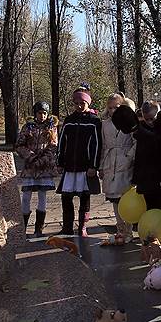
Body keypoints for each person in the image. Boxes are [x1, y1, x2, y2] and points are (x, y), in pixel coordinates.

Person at [57, 86, 103, 237]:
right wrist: (59, 161)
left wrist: (93, 165)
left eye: (82, 102)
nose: (79, 105)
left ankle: (82, 226)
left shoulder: (94, 121)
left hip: (85, 166)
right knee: (66, 197)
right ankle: (67, 226)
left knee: (84, 197)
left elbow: (97, 144)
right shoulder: (69, 121)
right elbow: (62, 142)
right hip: (70, 165)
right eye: (76, 103)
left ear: (88, 103)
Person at [16, 101, 59, 237]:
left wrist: (43, 159)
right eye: (40, 113)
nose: (42, 116)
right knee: (26, 196)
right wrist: (31, 157)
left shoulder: (51, 127)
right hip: (30, 166)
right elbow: (20, 145)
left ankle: (38, 229)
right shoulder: (28, 127)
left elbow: (53, 145)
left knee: (42, 196)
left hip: (45, 166)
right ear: (35, 114)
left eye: (45, 113)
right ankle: (22, 227)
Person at [100, 92, 137, 244]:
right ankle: (120, 229)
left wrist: (128, 157)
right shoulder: (104, 124)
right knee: (115, 199)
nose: (113, 111)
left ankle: (128, 231)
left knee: (125, 198)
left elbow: (136, 142)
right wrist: (101, 166)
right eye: (110, 108)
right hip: (110, 162)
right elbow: (103, 146)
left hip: (125, 162)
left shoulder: (130, 122)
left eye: (116, 107)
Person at [132, 100, 161, 214]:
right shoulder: (140, 131)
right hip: (145, 176)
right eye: (146, 119)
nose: (150, 122)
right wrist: (136, 178)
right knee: (148, 205)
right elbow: (139, 156)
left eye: (152, 118)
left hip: (160, 174)